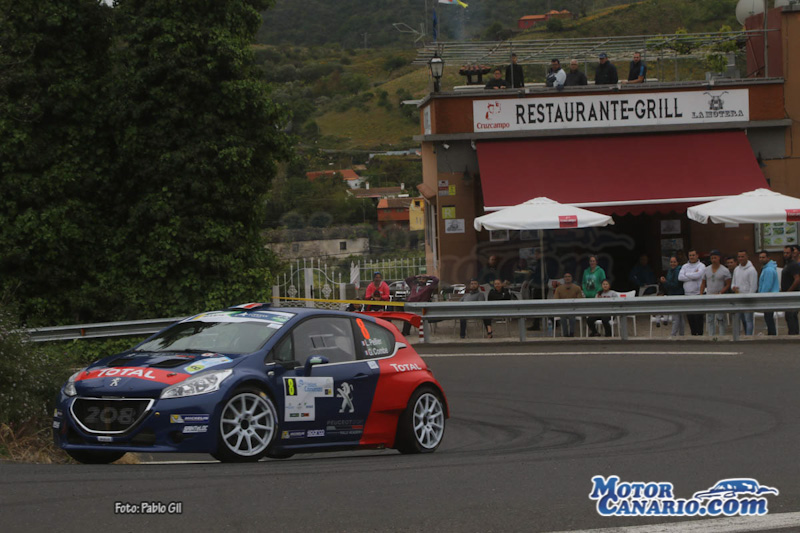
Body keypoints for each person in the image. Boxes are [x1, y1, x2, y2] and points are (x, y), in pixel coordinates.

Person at [700, 250, 731, 336]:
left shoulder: (724, 270)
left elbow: (728, 284)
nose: (714, 259)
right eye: (712, 258)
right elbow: (703, 283)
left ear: (719, 258)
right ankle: (711, 335)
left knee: (720, 317)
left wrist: (721, 292)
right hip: (709, 296)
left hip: (719, 297)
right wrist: (701, 294)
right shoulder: (706, 270)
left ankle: (722, 334)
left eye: (715, 257)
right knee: (710, 317)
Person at [679, 249, 706, 335]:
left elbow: (698, 275)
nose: (691, 257)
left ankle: (700, 334)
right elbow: (680, 277)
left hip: (698, 293)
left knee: (698, 316)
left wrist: (686, 274)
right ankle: (693, 334)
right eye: (690, 255)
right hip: (687, 294)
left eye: (693, 255)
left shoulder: (701, 266)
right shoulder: (684, 266)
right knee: (690, 316)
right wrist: (693, 275)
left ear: (697, 255)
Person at [731, 250, 758, 335]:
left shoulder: (751, 270)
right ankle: (740, 336)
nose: (740, 258)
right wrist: (733, 287)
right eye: (739, 257)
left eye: (742, 256)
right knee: (740, 319)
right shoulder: (736, 269)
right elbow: (733, 283)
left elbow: (753, 286)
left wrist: (749, 298)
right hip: (738, 298)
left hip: (747, 299)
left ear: (747, 257)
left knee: (748, 319)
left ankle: (749, 336)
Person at [660, 256, 685, 336]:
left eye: (674, 262)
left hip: (678, 295)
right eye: (671, 262)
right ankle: (681, 334)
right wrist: (665, 283)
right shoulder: (669, 271)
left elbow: (676, 285)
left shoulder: (678, 271)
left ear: (677, 263)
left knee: (676, 317)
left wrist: (665, 282)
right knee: (679, 317)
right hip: (672, 295)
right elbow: (668, 285)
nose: (672, 263)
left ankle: (673, 334)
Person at [554, 272, 583, 337]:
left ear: (572, 278)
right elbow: (556, 300)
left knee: (572, 316)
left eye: (569, 276)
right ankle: (565, 334)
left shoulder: (577, 288)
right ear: (564, 278)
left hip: (573, 309)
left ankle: (571, 333)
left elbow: (580, 299)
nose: (567, 278)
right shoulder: (559, 288)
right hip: (563, 309)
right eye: (566, 277)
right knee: (563, 318)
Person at [757, 250, 780, 335]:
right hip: (770, 296)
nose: (761, 259)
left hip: (769, 297)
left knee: (768, 317)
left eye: (763, 257)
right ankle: (771, 333)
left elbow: (767, 285)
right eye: (760, 257)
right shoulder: (767, 268)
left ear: (768, 258)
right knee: (768, 317)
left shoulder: (768, 270)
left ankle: (772, 333)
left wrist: (761, 296)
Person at [780, 244, 800, 335]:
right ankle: (793, 333)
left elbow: (797, 279)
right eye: (784, 253)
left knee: (791, 315)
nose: (785, 254)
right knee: (789, 316)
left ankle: (794, 334)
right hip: (787, 295)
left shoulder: (793, 265)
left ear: (792, 253)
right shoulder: (787, 264)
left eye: (787, 253)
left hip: (792, 295)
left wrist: (789, 291)